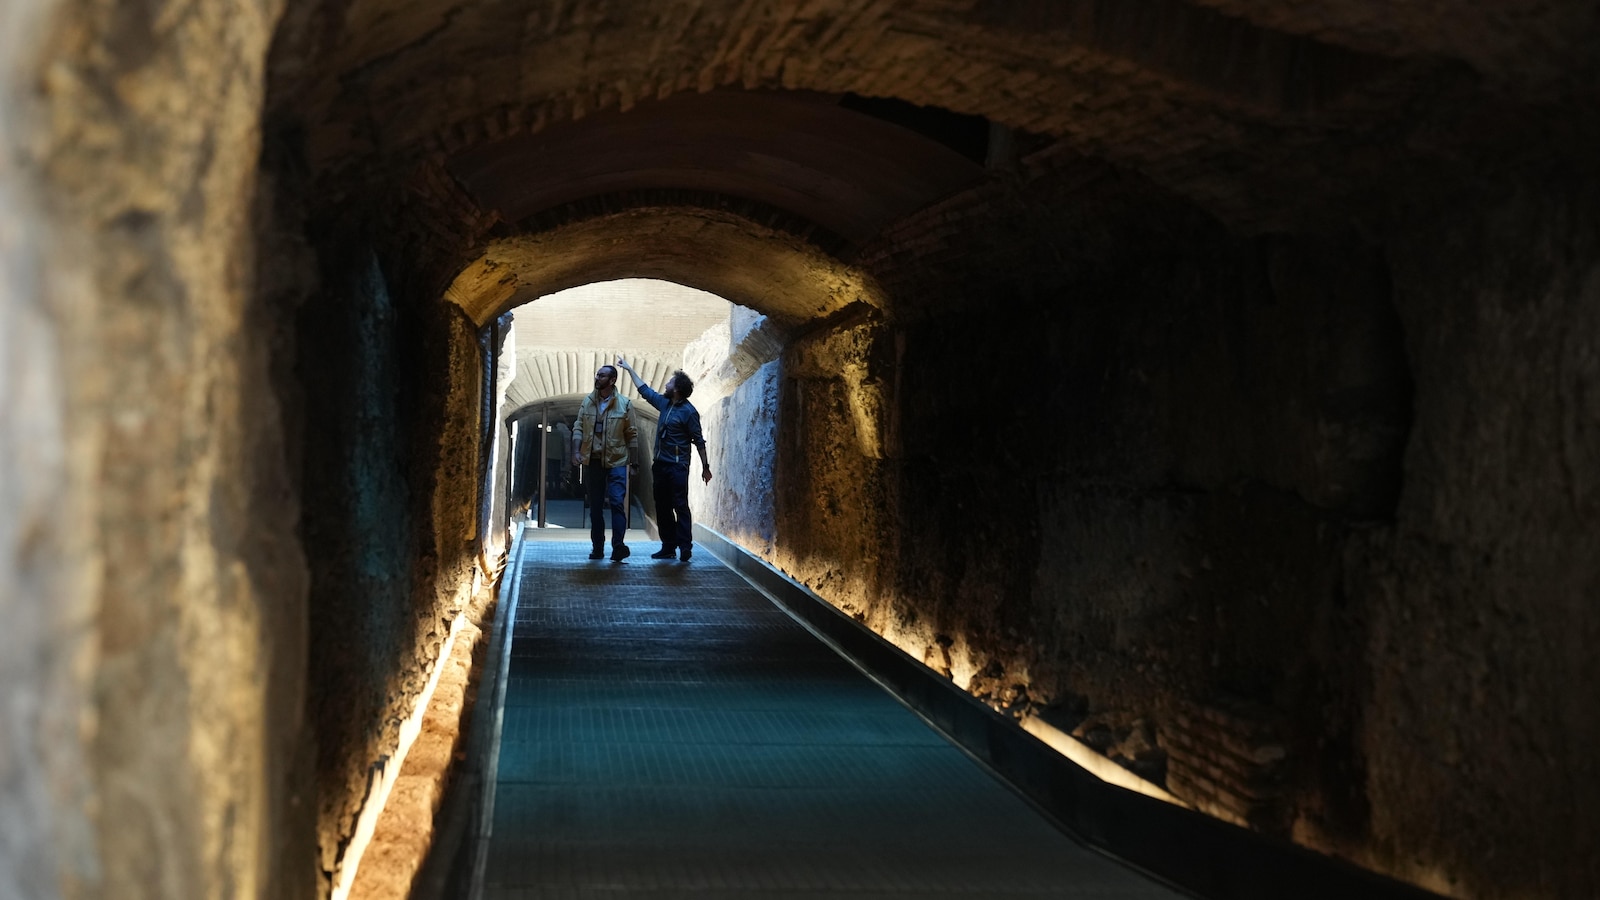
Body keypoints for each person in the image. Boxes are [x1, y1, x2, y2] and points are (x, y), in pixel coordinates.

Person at [615, 356, 712, 561]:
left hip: (677, 467)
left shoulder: (689, 412)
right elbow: (645, 390)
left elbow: (699, 441)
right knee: (662, 506)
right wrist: (629, 369)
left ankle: (685, 546)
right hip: (660, 465)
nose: (666, 385)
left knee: (680, 505)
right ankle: (668, 546)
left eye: (669, 383)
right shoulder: (665, 404)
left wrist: (705, 467)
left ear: (676, 389)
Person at [571, 365, 639, 560]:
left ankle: (618, 546)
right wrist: (576, 451)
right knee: (595, 506)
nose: (597, 378)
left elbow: (632, 434)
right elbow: (579, 427)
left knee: (617, 503)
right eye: (597, 374)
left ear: (612, 380)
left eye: (602, 376)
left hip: (617, 461)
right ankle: (598, 548)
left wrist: (634, 463)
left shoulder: (625, 404)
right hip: (593, 461)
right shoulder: (588, 402)